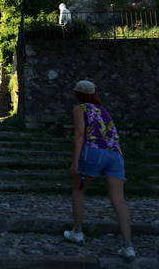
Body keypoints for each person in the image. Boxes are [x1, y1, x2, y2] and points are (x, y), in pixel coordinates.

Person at [63, 80, 135, 262]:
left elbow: (80, 134)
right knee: (119, 200)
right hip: (115, 154)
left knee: (78, 191)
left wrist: (75, 162)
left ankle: (78, 232)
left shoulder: (80, 109)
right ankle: (128, 246)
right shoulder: (104, 110)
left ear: (77, 94)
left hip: (94, 152)